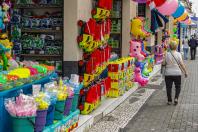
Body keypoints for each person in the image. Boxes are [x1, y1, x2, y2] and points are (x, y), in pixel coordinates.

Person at [162, 40, 188, 105]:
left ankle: (169, 100)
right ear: (176, 47)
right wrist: (185, 72)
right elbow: (181, 64)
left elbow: (163, 63)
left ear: (169, 47)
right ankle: (176, 98)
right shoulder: (178, 54)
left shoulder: (166, 54)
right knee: (178, 86)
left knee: (168, 87)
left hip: (168, 73)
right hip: (177, 73)